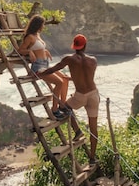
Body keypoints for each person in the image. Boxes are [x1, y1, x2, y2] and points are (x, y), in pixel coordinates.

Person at [39, 34, 99, 164]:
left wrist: (39, 74)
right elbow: (87, 77)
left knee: (64, 107)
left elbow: (53, 69)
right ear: (85, 45)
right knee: (94, 128)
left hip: (80, 96)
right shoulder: (93, 60)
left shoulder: (69, 59)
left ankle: (77, 131)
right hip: (94, 94)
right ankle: (92, 158)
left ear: (74, 46)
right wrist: (72, 78)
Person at [17, 15, 69, 119]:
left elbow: (38, 48)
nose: (43, 26)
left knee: (65, 78)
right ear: (38, 25)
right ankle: (54, 109)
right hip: (38, 68)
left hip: (45, 65)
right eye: (42, 24)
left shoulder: (37, 35)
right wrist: (29, 51)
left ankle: (62, 105)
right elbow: (20, 50)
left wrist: (44, 51)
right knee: (59, 82)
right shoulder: (30, 37)